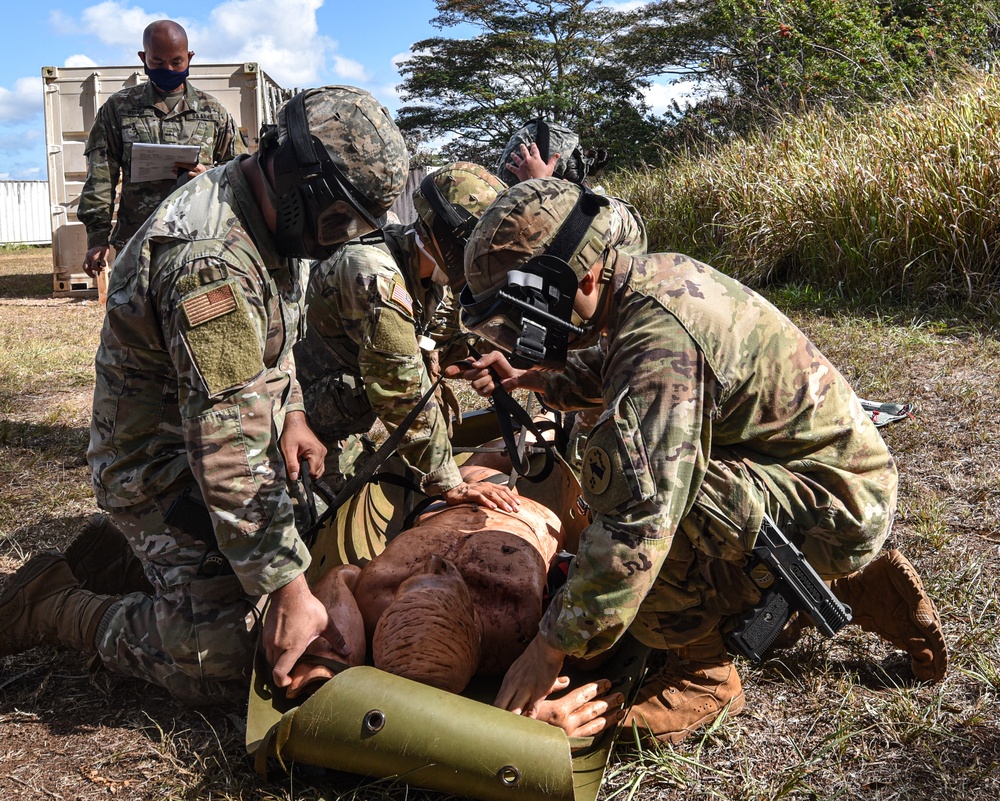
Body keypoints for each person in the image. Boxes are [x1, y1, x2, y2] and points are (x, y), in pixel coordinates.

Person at [446, 178, 948, 744]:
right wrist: (535, 377)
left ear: (582, 275)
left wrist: (551, 645)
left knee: (631, 490)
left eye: (527, 312)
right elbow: (613, 369)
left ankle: (704, 672)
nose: (521, 333)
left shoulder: (660, 339)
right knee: (645, 470)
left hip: (836, 501)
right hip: (816, 475)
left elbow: (639, 523)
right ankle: (839, 579)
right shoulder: (644, 284)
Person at [0, 86, 410, 705]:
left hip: (207, 450)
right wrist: (285, 591)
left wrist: (294, 413)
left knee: (313, 528)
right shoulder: (208, 259)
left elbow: (273, 346)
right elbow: (227, 444)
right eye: (340, 218)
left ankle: (130, 558)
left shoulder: (276, 217)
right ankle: (53, 605)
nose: (340, 239)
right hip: (158, 467)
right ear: (302, 180)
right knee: (228, 653)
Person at [284, 463, 626, 740]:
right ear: (476, 625)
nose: (433, 561)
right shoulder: (516, 625)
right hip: (529, 514)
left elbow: (340, 575)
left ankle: (533, 429)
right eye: (450, 581)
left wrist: (332, 660)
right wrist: (520, 721)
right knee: (526, 457)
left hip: (449, 500)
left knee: (489, 462)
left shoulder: (374, 597)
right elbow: (596, 608)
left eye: (413, 579)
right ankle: (540, 426)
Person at [294, 162, 519, 510]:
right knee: (321, 523)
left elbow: (435, 339)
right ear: (442, 236)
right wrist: (448, 482)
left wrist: (475, 356)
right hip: (297, 427)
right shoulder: (373, 274)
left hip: (342, 422)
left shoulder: (426, 274)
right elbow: (400, 385)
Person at [77, 20, 246, 279]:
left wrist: (208, 175)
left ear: (189, 57)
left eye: (177, 62)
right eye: (157, 62)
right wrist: (97, 238)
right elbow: (100, 176)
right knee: (132, 317)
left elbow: (241, 173)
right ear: (143, 58)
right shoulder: (118, 109)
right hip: (137, 240)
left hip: (198, 241)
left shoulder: (213, 111)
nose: (168, 68)